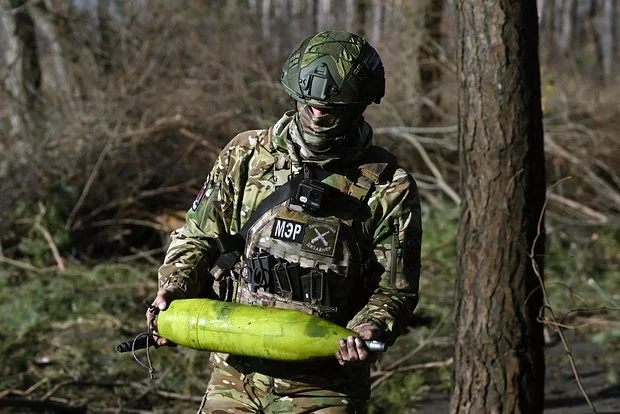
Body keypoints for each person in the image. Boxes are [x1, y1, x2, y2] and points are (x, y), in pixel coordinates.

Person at [146, 30, 422, 413]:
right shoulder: (246, 156)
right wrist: (174, 287)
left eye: (333, 105)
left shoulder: (387, 186)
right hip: (235, 374)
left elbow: (396, 289)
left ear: (360, 103)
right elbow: (197, 238)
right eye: (309, 103)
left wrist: (370, 326)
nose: (318, 112)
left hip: (325, 386)